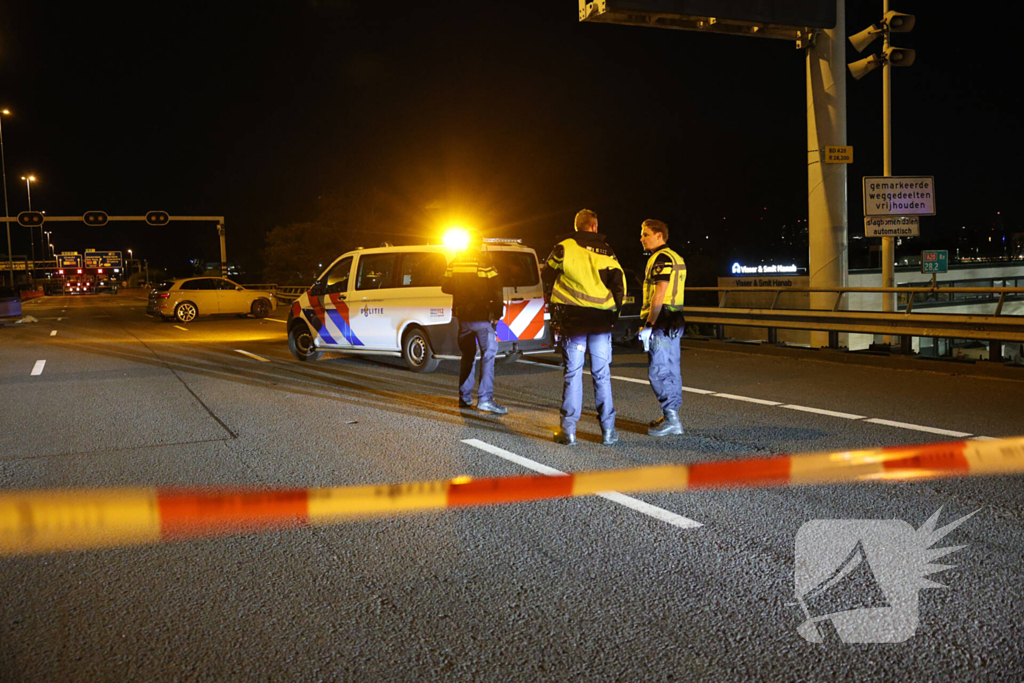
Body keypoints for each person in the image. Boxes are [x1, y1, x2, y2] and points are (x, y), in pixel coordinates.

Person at [542, 209, 626, 446]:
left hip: (574, 321)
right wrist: (613, 315)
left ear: (578, 226)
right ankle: (608, 432)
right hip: (600, 322)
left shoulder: (564, 247)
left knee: (573, 374)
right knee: (602, 375)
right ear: (594, 226)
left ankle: (568, 431)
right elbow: (619, 285)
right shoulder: (607, 251)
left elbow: (547, 274)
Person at [441, 228, 508, 414]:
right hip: (481, 317)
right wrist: (497, 314)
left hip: (463, 318)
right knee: (488, 355)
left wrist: (462, 287)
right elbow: (497, 289)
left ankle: (464, 398)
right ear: (480, 243)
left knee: (468, 357)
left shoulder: (455, 262)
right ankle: (485, 399)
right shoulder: (485, 263)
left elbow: (445, 286)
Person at [637, 219, 687, 437]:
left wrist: (649, 324)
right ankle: (671, 413)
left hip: (662, 321)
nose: (641, 238)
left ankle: (672, 419)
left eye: (645, 234)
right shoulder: (675, 256)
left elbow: (659, 293)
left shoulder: (661, 258)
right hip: (674, 319)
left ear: (659, 236)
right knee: (671, 369)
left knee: (658, 371)